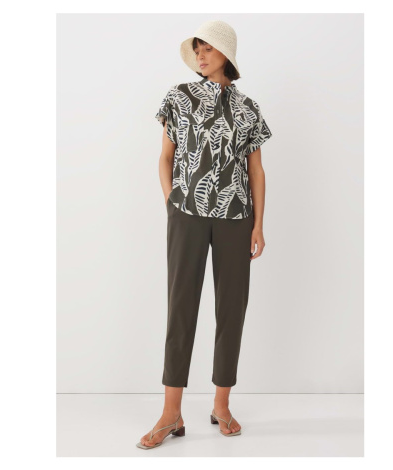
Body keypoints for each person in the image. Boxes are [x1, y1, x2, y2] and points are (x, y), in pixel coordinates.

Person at [137, 20, 272, 450]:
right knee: (181, 307)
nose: (200, 54)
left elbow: (256, 170)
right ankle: (171, 413)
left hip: (235, 217)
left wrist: (258, 224)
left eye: (207, 48)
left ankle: (221, 405)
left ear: (225, 54)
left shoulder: (248, 109)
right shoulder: (178, 97)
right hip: (187, 215)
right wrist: (171, 203)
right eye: (197, 48)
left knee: (232, 309)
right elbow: (165, 157)